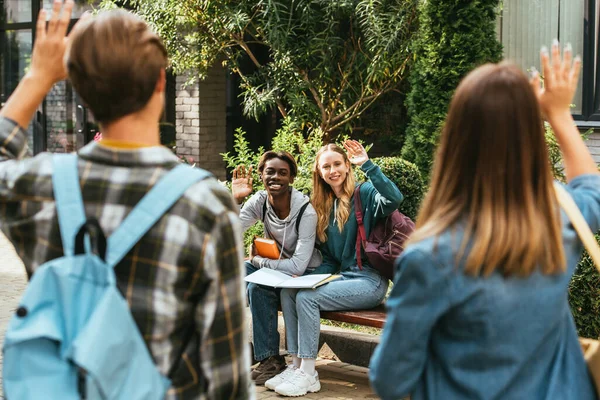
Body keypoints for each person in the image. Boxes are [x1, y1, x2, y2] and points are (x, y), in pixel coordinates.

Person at [0, 3, 253, 399]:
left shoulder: (38, 186)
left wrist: (37, 77)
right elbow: (227, 380)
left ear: (79, 90)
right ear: (160, 81)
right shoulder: (204, 203)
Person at [369, 42, 600, 400]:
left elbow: (391, 380)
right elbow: (592, 190)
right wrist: (558, 113)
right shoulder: (560, 219)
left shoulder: (430, 256)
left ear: (456, 138)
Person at [266, 140, 404, 397]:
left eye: (338, 164)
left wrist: (367, 164)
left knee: (308, 298)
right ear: (319, 171)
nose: (333, 171)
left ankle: (309, 373)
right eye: (326, 166)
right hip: (343, 276)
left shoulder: (364, 195)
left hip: (369, 281)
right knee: (290, 292)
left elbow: (394, 198)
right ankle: (297, 365)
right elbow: (330, 260)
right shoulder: (322, 206)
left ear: (347, 166)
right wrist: (302, 276)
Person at [231, 151, 322, 385]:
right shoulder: (259, 202)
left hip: (301, 274)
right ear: (261, 175)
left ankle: (267, 356)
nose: (276, 177)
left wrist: (258, 261)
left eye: (283, 173)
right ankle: (254, 354)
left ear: (291, 178)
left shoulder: (305, 211)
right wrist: (236, 200)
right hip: (275, 268)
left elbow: (298, 266)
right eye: (270, 171)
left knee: (255, 285)